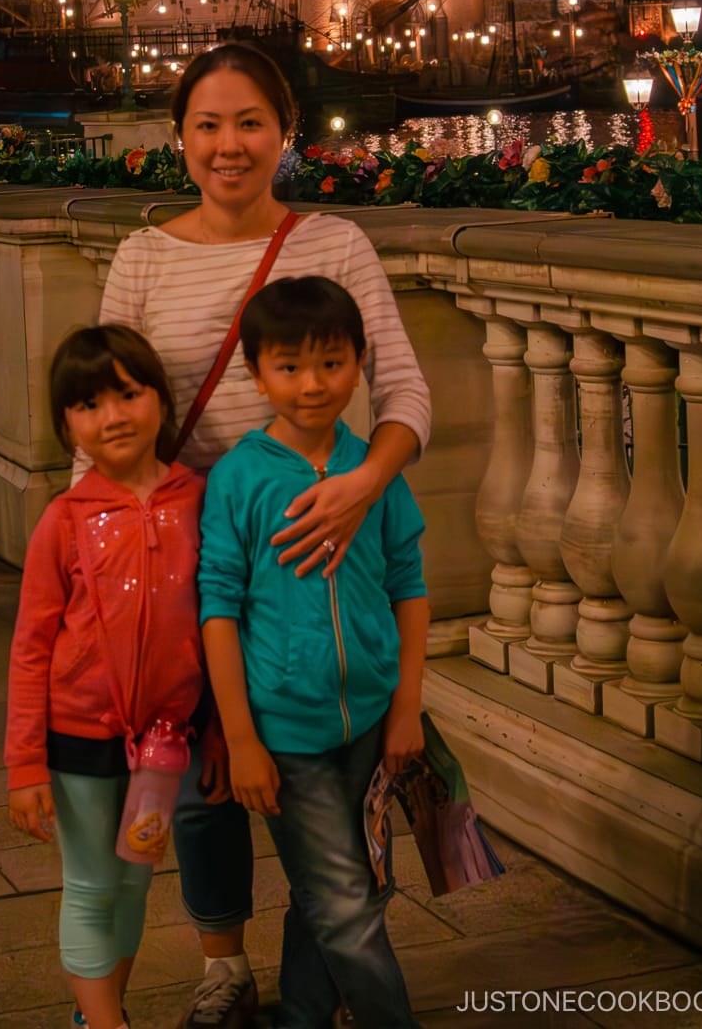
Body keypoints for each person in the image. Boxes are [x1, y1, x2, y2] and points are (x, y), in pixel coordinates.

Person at [97, 43, 431, 1029]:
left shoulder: (333, 244)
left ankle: (309, 979)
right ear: (179, 138)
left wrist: (365, 484)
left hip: (315, 542)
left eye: (250, 123)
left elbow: (405, 388)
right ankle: (224, 964)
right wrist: (99, 559)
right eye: (208, 124)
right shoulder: (142, 256)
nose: (228, 145)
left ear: (285, 133)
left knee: (320, 776)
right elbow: (104, 416)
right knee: (203, 776)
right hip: (185, 555)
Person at [199, 276, 429, 1028]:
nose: (312, 385)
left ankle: (302, 1018)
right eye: (289, 367)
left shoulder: (375, 473)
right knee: (346, 902)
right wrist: (240, 739)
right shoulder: (240, 478)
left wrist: (406, 712)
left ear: (360, 362)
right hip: (282, 734)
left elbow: (410, 587)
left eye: (331, 363)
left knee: (334, 891)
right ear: (255, 372)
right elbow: (219, 610)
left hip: (368, 721)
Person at [6, 324, 210, 1029]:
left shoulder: (198, 500)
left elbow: (216, 627)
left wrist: (214, 735)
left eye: (128, 394)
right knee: (92, 886)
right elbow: (31, 647)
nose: (113, 416)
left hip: (165, 745)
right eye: (89, 404)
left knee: (133, 885)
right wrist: (24, 763)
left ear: (161, 399)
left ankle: (97, 1014)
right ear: (66, 424)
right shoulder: (64, 520)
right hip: (78, 739)